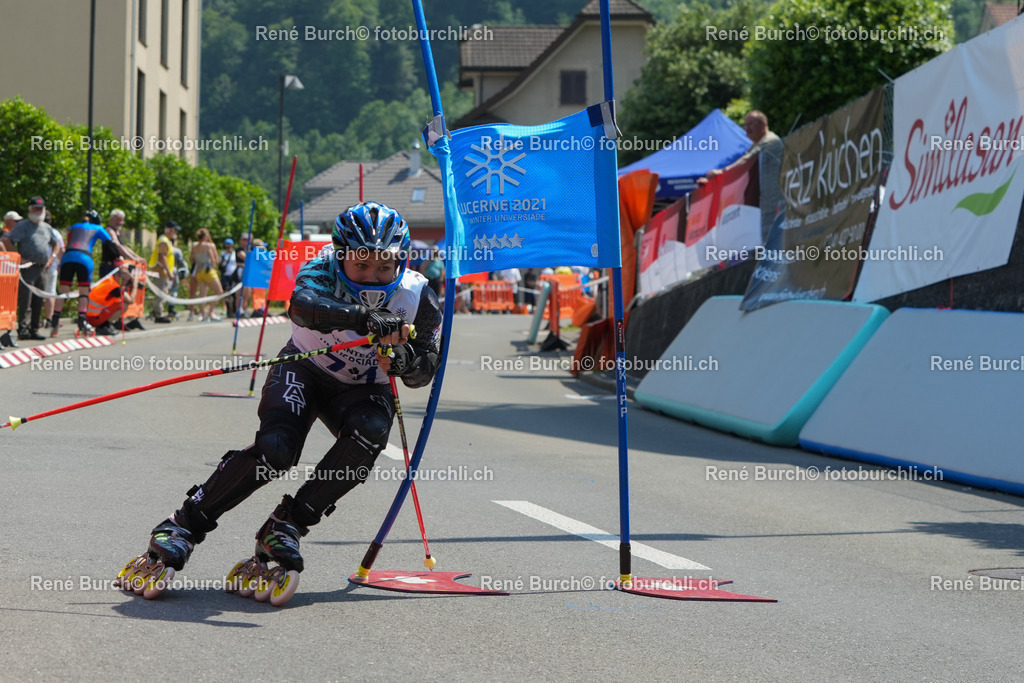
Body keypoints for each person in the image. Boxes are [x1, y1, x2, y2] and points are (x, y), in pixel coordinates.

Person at [121, 202, 443, 602]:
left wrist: (403, 360)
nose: (372, 277)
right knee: (277, 449)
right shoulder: (322, 266)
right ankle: (183, 525)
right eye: (361, 266)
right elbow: (303, 307)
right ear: (341, 254)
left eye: (383, 267)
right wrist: (363, 318)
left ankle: (287, 525)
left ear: (401, 261)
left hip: (362, 387)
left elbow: (425, 371)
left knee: (372, 432)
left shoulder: (418, 296)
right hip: (304, 369)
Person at [57, 210, 137, 336]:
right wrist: (118, 257)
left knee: (63, 290)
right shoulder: (98, 227)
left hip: (67, 257)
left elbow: (70, 240)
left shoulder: (74, 226)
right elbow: (111, 244)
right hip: (84, 258)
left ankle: (54, 322)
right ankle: (82, 321)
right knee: (84, 292)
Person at [2, 197, 58, 341]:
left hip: (42, 268)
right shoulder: (23, 226)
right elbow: (7, 240)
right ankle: (23, 329)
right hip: (28, 268)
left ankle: (34, 329)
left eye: (40, 209)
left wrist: (52, 258)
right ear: (30, 210)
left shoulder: (46, 227)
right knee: (26, 300)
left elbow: (56, 244)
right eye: (35, 209)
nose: (38, 211)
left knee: (39, 299)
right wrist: (18, 257)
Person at [701, 111, 782, 182]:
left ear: (763, 123)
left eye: (750, 124)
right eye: (745, 125)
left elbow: (746, 160)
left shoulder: (770, 140)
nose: (747, 128)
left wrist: (722, 172)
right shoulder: (755, 144)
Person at [85, 263, 140, 336]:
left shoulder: (109, 281)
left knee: (119, 302)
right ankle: (104, 326)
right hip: (94, 318)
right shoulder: (114, 286)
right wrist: (135, 286)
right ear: (117, 275)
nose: (124, 280)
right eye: (123, 277)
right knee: (124, 305)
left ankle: (105, 324)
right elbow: (131, 301)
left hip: (90, 316)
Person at [190, 228, 224, 321]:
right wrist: (214, 267)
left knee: (202, 295)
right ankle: (210, 312)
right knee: (219, 292)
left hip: (199, 272)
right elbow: (214, 259)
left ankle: (203, 315)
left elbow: (191, 258)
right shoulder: (209, 245)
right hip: (208, 271)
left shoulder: (194, 245)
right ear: (206, 236)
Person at [149, 221, 178, 323]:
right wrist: (170, 273)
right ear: (170, 230)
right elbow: (163, 257)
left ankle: (158, 313)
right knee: (160, 293)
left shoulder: (166, 240)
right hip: (161, 271)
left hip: (162, 271)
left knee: (163, 292)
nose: (176, 233)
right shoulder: (164, 241)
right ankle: (158, 315)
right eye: (175, 230)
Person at [41, 211, 65, 335]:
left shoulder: (39, 230)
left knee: (38, 292)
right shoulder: (55, 232)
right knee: (50, 292)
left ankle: (38, 319)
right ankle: (49, 319)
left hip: (40, 265)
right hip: (52, 265)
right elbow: (62, 248)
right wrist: (58, 262)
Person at [219, 237, 239, 317]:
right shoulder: (223, 254)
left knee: (234, 294)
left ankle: (234, 311)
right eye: (226, 245)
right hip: (225, 276)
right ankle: (228, 311)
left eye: (229, 245)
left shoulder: (235, 254)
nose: (228, 247)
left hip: (233, 276)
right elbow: (219, 264)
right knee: (227, 293)